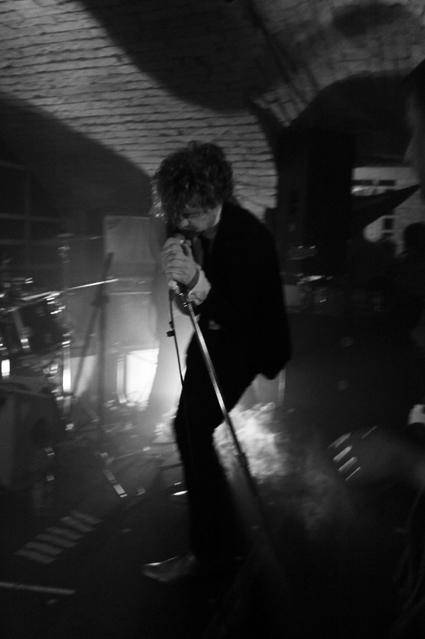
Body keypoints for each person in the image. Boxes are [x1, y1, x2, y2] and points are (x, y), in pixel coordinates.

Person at [143, 141, 291, 583]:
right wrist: (180, 281)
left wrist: (195, 281)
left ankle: (212, 548)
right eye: (178, 214)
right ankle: (218, 533)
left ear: (213, 199)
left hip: (251, 341)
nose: (183, 223)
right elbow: (194, 302)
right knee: (188, 428)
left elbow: (240, 317)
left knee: (192, 427)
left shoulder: (250, 238)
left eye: (190, 214)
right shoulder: (188, 223)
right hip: (214, 331)